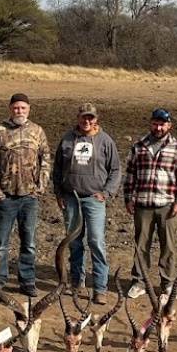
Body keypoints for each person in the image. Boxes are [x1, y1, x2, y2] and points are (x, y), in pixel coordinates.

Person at [52, 102, 122, 305]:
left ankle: (100, 288)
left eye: (90, 118)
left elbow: (116, 170)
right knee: (74, 242)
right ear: (78, 118)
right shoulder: (67, 139)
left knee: (96, 242)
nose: (87, 121)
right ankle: (76, 282)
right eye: (84, 117)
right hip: (71, 198)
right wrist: (59, 193)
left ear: (96, 119)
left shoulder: (105, 141)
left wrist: (107, 192)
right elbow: (57, 168)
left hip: (94, 200)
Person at [0, 93, 52, 297]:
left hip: (29, 198)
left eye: (23, 108)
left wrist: (39, 188)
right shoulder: (0, 132)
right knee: (1, 244)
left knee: (29, 243)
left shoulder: (37, 131)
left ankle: (28, 281)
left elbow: (46, 159)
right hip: (6, 198)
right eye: (16, 108)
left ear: (29, 109)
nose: (19, 111)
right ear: (10, 109)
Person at [122, 108, 177, 299]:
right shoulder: (139, 146)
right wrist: (128, 198)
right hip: (143, 204)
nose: (158, 127)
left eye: (162, 124)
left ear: (169, 125)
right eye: (155, 123)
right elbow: (130, 175)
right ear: (150, 123)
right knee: (141, 245)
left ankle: (167, 284)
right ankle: (139, 282)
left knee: (168, 246)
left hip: (167, 205)